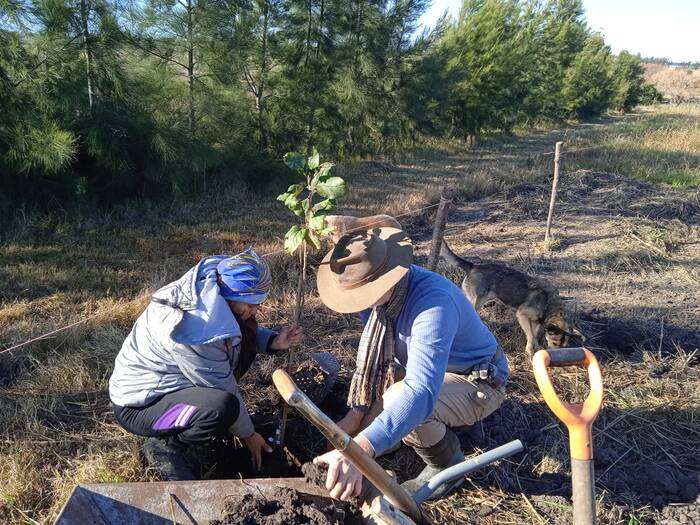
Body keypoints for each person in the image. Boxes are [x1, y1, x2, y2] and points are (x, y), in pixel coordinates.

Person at [313, 228, 508, 501]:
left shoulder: (433, 305)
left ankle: (447, 464)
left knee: (399, 402)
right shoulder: (375, 297)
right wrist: (355, 417)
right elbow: (378, 360)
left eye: (362, 294)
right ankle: (450, 425)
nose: (358, 304)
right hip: (431, 370)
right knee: (371, 427)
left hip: (478, 380)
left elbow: (420, 393)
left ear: (383, 279)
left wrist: (359, 453)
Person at [108, 249, 302, 480]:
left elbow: (234, 337)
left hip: (171, 388)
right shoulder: (198, 329)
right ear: (231, 292)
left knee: (244, 328)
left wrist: (272, 341)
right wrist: (249, 435)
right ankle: (168, 447)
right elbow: (222, 387)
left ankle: (197, 427)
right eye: (250, 303)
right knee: (221, 407)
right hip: (142, 406)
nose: (256, 310)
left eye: (258, 303)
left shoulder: (218, 291)